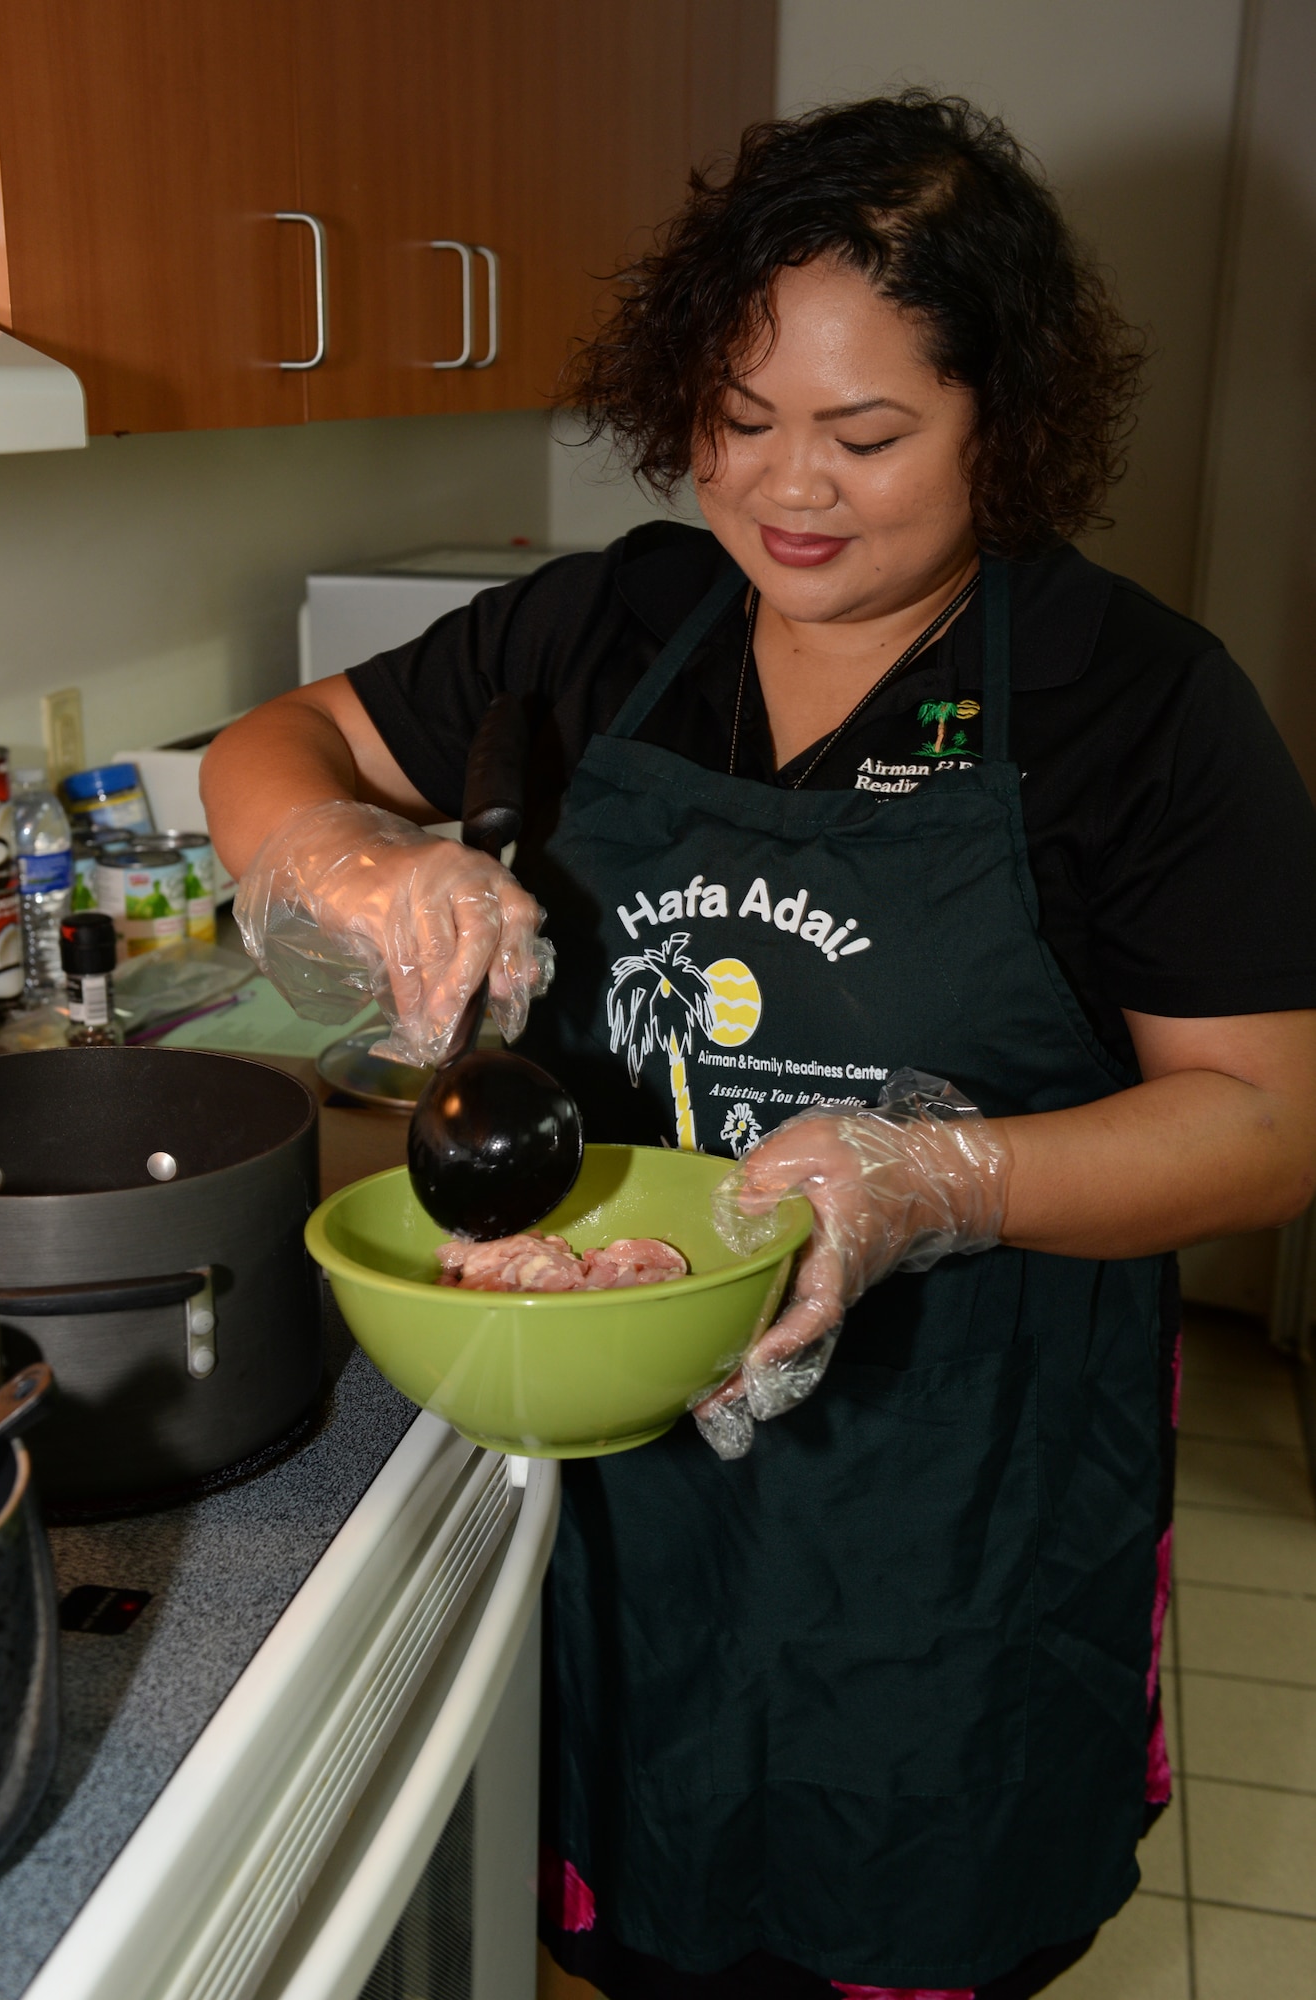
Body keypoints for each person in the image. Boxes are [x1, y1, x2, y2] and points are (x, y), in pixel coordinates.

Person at [202, 94, 1316, 2000]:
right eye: (738, 422)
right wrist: (343, 862)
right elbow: (273, 748)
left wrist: (934, 1178)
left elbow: (1267, 1122)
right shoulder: (613, 624)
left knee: (905, 1909)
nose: (787, 490)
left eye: (868, 435)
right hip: (609, 1462)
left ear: (1002, 422)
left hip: (952, 1480)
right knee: (610, 1893)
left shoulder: (1128, 699)